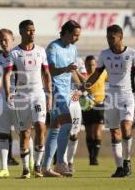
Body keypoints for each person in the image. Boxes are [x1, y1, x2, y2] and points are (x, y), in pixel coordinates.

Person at [85, 24, 135, 177]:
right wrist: (83, 88)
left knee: (125, 127)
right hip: (111, 98)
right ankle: (119, 168)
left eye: (112, 38)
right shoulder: (104, 54)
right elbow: (96, 74)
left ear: (120, 37)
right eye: (107, 37)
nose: (109, 40)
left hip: (127, 95)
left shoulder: (133, 53)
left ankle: (127, 161)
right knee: (114, 133)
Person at [3, 20, 52, 178]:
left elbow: (46, 73)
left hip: (38, 94)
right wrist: (9, 91)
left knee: (40, 126)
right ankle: (25, 169)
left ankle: (37, 166)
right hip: (22, 96)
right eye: (29, 31)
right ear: (22, 32)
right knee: (24, 133)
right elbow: (7, 74)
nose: (32, 33)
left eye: (33, 30)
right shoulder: (14, 53)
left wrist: (49, 94)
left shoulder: (41, 51)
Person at [42, 20, 81, 177]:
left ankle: (45, 167)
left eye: (79, 35)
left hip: (67, 91)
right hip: (55, 90)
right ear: (66, 33)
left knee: (55, 128)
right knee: (67, 123)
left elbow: (72, 72)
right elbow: (50, 71)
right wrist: (66, 69)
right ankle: (60, 163)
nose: (77, 38)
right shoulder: (53, 47)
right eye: (75, 35)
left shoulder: (73, 49)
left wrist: (82, 84)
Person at [0, 29, 20, 178]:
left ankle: (32, 164)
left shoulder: (20, 55)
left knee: (24, 133)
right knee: (3, 133)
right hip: (3, 101)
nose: (3, 42)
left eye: (6, 39)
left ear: (13, 39)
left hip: (20, 100)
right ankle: (4, 168)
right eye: (1, 40)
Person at [81, 55, 107, 166]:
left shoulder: (103, 73)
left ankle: (94, 157)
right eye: (88, 65)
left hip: (99, 105)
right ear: (85, 65)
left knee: (97, 133)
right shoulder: (84, 76)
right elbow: (81, 86)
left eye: (92, 65)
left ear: (96, 65)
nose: (90, 67)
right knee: (89, 134)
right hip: (87, 106)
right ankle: (90, 156)